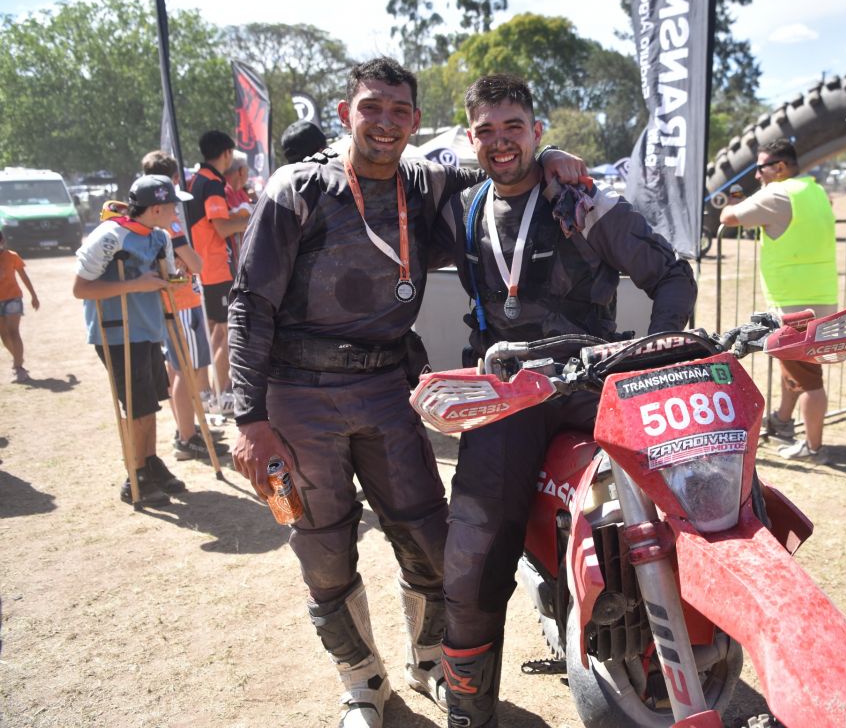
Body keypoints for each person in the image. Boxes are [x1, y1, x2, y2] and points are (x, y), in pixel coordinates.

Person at [228, 58, 587, 728]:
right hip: (300, 398)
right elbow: (250, 304)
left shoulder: (424, 181)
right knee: (324, 549)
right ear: (346, 114)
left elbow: (500, 159)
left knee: (429, 538)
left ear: (415, 121)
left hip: (391, 389)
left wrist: (556, 152)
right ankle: (362, 682)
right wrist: (249, 417)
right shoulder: (298, 188)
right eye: (372, 108)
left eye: (399, 111)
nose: (385, 123)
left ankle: (429, 664)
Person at [439, 73, 696, 728]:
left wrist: (656, 354)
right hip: (508, 393)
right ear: (471, 138)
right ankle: (471, 708)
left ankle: (691, 644)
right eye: (487, 131)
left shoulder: (582, 203)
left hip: (591, 383)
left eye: (513, 128)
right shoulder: (461, 207)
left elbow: (671, 274)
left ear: (538, 131)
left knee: (684, 492)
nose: (501, 143)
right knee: (472, 549)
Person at [719, 138, 837, 462]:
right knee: (796, 367)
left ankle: (814, 448)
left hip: (793, 304)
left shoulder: (777, 193)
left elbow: (728, 218)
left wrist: (732, 202)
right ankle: (783, 421)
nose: (757, 175)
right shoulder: (813, 190)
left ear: (780, 167)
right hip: (821, 297)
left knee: (810, 380)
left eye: (761, 168)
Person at [72, 175, 183, 506]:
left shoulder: (160, 237)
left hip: (149, 329)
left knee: (149, 403)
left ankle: (149, 461)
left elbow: (165, 277)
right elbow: (81, 289)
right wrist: (134, 285)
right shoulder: (110, 237)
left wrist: (175, 281)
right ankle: (134, 475)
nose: (177, 211)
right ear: (157, 208)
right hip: (118, 332)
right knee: (136, 407)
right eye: (173, 206)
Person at [139, 150, 228, 461]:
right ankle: (188, 437)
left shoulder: (154, 217)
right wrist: (194, 259)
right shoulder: (169, 222)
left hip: (175, 302)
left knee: (180, 370)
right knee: (184, 371)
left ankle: (188, 429)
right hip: (181, 303)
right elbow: (195, 262)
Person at [185, 130, 249, 416]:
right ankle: (223, 394)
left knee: (215, 331)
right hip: (215, 266)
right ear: (226, 154)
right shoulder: (211, 183)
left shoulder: (196, 179)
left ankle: (213, 393)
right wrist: (247, 220)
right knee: (223, 332)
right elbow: (221, 227)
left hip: (205, 266)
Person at [0, 229, 39, 383]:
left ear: (2, 242)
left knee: (13, 332)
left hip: (13, 299)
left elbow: (24, 276)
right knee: (3, 336)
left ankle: (18, 367)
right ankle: (19, 359)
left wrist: (34, 296)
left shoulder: (11, 256)